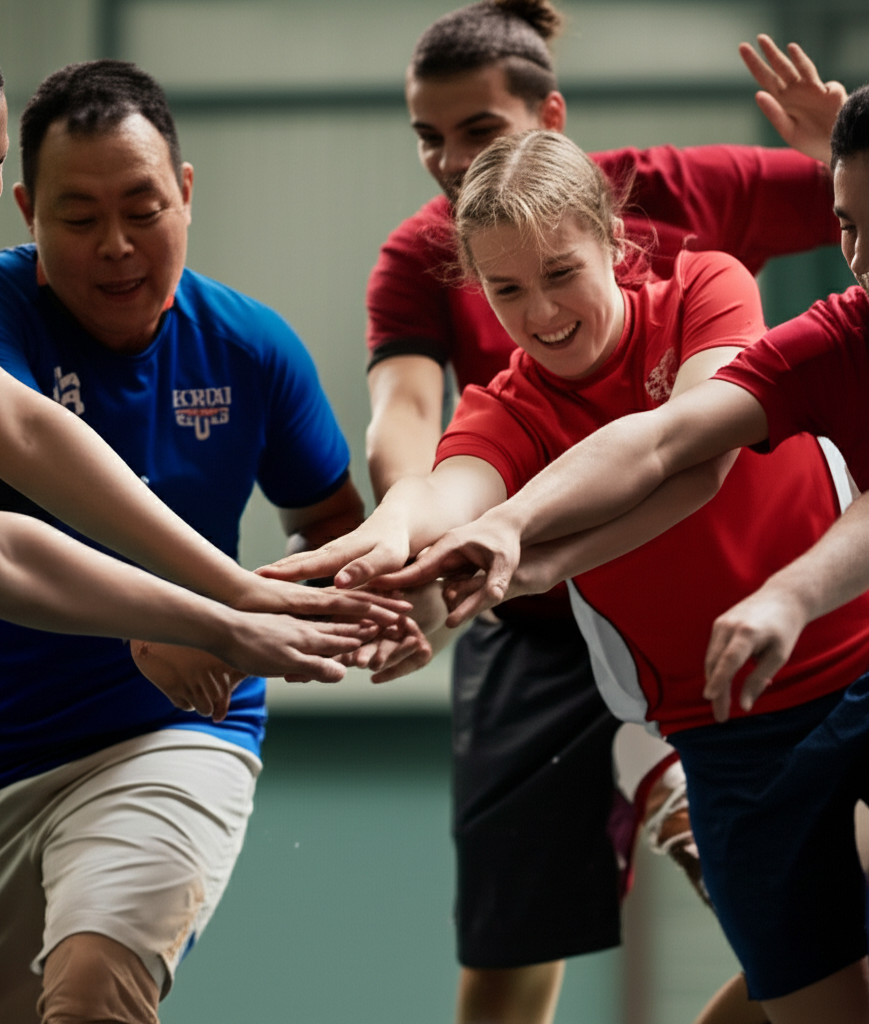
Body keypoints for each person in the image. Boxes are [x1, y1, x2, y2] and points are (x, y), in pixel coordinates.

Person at [262, 126, 869, 1023]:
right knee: (811, 997)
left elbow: (695, 457)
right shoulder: (505, 408)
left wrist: (529, 547)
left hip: (856, 665)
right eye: (506, 290)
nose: (541, 312)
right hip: (721, 726)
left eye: (560, 273)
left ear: (614, 242)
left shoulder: (706, 287)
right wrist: (383, 539)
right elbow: (445, 493)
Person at [0, 58, 416, 1024]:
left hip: (174, 734)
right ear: (26, 213)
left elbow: (332, 525)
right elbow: (27, 463)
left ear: (186, 190)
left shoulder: (251, 346)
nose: (117, 246)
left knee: (95, 992)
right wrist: (198, 608)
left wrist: (373, 600)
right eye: (78, 217)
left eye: (143, 209)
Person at [0, 1, 402, 649]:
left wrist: (234, 595)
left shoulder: (250, 338)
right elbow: (3, 530)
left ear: (185, 193)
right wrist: (215, 613)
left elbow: (25, 439)